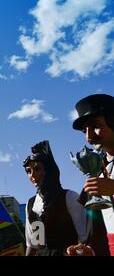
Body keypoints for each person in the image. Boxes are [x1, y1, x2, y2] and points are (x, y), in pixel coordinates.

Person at [23, 140, 87, 256]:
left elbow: (85, 238)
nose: (32, 175)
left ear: (49, 170)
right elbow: (33, 245)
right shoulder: (31, 204)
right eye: (28, 171)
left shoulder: (69, 197)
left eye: (37, 169)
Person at [73, 93, 114, 255]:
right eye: (85, 131)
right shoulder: (99, 168)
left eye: (96, 125)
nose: (89, 137)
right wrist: (92, 251)